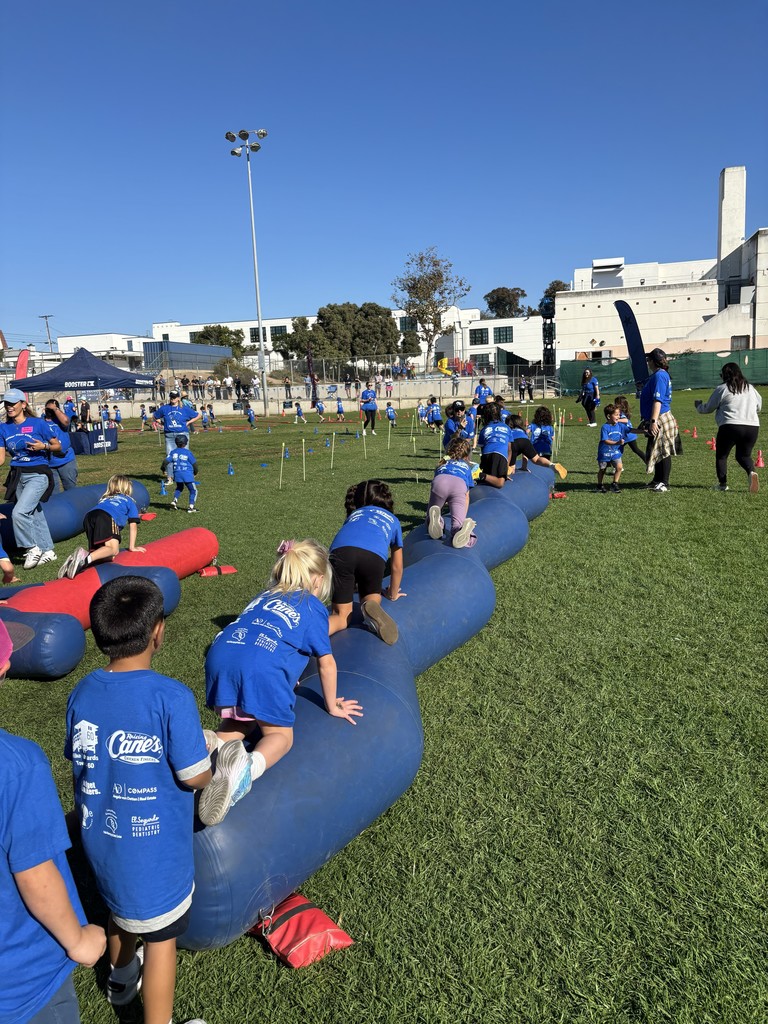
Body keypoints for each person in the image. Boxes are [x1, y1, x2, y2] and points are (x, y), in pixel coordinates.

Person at [65, 577, 211, 1024]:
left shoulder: (82, 693)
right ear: (158, 631)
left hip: (104, 845)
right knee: (162, 941)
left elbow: (80, 757)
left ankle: (121, 981)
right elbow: (196, 776)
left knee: (120, 915)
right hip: (156, 857)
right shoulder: (171, 697)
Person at [200, 540, 363, 827]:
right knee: (280, 737)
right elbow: (326, 663)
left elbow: (270, 642)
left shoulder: (263, 597)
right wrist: (332, 704)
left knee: (242, 720)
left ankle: (212, 743)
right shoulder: (312, 607)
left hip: (220, 658)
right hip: (260, 671)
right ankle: (245, 769)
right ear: (318, 579)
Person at [0, 617, 108, 1024]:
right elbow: (34, 874)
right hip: (22, 982)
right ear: (4, 669)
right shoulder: (17, 765)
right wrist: (78, 939)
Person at [328, 480, 405, 645]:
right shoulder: (393, 520)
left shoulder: (355, 515)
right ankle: (370, 605)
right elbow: (397, 566)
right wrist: (392, 593)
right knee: (371, 599)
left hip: (340, 553)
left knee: (341, 616)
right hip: (373, 557)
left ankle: (310, 633)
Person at [0, 389, 60, 570]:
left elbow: (58, 445)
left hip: (39, 474)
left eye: (13, 403)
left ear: (23, 404)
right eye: (6, 404)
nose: (9, 407)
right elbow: (1, 458)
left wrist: (44, 446)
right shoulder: (3, 427)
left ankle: (31, 547)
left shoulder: (38, 424)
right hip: (18, 475)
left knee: (19, 512)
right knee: (35, 513)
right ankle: (48, 551)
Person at [58, 474, 146, 579]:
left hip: (89, 517)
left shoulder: (105, 499)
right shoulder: (129, 500)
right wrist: (132, 547)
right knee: (113, 549)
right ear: (127, 487)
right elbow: (133, 525)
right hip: (106, 517)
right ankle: (84, 558)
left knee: (109, 556)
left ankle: (74, 562)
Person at [695, 362, 762, 492]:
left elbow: (708, 408)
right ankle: (751, 472)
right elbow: (759, 407)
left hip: (730, 425)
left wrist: (698, 406)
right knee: (744, 456)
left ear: (724, 375)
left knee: (722, 456)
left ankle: (722, 484)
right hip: (752, 426)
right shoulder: (751, 388)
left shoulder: (723, 388)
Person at [427, 437, 477, 549]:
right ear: (466, 455)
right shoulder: (466, 467)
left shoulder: (442, 463)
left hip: (439, 482)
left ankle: (436, 520)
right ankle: (461, 530)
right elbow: (466, 496)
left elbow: (434, 487)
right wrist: (463, 515)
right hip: (458, 486)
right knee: (457, 525)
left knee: (432, 514)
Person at [640, 348, 677, 493]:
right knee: (655, 449)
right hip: (656, 416)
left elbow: (658, 400)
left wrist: (654, 421)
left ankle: (664, 482)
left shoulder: (659, 376)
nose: (647, 362)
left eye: (649, 359)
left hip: (660, 417)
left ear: (654, 362)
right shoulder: (658, 375)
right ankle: (657, 479)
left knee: (663, 450)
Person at [153, 390, 201, 471]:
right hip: (169, 435)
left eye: (174, 397)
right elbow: (155, 416)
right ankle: (170, 477)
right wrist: (163, 423)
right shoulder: (164, 408)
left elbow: (198, 415)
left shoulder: (184, 408)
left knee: (184, 455)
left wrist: (188, 422)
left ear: (178, 398)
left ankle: (185, 472)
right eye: (171, 397)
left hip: (182, 434)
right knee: (170, 456)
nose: (172, 398)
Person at [44, 398, 79, 491]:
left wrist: (55, 409)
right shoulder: (41, 421)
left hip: (66, 459)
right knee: (53, 493)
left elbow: (66, 422)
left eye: (54, 409)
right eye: (49, 409)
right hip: (49, 461)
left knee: (71, 489)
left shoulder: (61, 419)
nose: (50, 411)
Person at [163, 436, 198, 513]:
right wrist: (195, 472)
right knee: (193, 490)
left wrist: (163, 469)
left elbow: (165, 462)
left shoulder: (173, 452)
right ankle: (191, 508)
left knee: (179, 487)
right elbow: (195, 464)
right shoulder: (188, 452)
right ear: (185, 443)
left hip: (177, 474)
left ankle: (174, 501)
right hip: (187, 474)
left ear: (176, 443)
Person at [595, 404, 626, 493]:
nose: (618, 416)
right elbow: (605, 440)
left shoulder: (620, 425)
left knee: (619, 467)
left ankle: (614, 484)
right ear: (609, 416)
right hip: (604, 452)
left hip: (615, 452)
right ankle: (599, 485)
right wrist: (617, 442)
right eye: (616, 415)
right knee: (602, 469)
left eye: (619, 414)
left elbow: (630, 430)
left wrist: (644, 431)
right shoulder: (605, 427)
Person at [614, 395, 647, 465]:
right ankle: (617, 466)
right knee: (618, 450)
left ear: (621, 405)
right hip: (626, 435)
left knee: (635, 450)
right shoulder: (619, 412)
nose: (615, 404)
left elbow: (625, 420)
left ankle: (648, 462)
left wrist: (617, 420)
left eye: (616, 403)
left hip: (628, 435)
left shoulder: (621, 413)